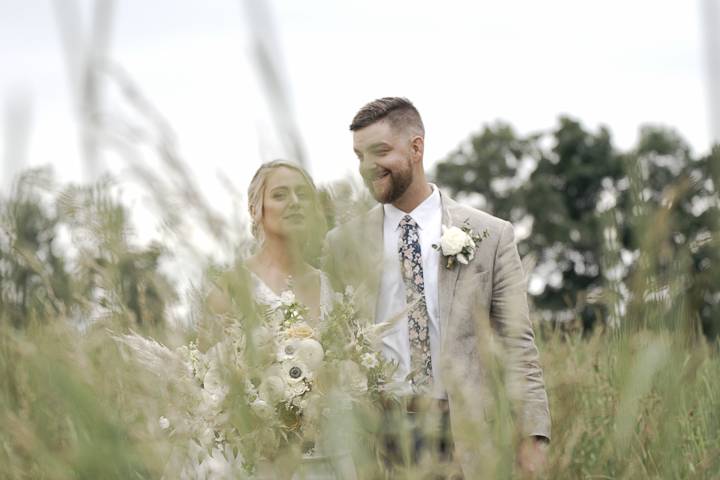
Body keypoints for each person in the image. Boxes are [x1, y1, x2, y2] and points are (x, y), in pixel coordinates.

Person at [323, 98, 551, 477]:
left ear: (416, 148)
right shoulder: (341, 245)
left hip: (466, 437)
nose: (367, 167)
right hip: (377, 439)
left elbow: (518, 346)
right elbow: (332, 348)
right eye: (359, 156)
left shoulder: (491, 236)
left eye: (380, 152)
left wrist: (533, 435)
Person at [244, 160, 357, 480]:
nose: (294, 202)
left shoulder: (331, 287)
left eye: (302, 194)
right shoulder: (231, 287)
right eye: (280, 194)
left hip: (332, 460)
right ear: (256, 209)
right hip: (267, 466)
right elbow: (209, 384)